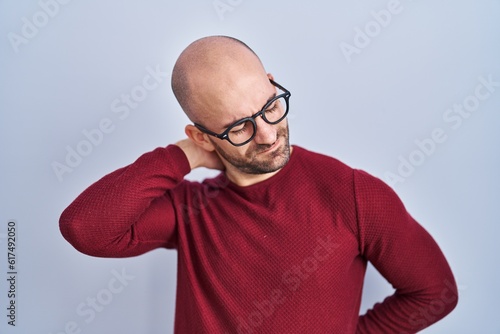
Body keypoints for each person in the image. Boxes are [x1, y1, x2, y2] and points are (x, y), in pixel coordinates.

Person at [60, 35, 458, 333]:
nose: (267, 134)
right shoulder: (190, 210)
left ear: (272, 82)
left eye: (269, 107)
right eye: (238, 128)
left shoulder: (353, 194)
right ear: (202, 136)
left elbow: (434, 292)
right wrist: (181, 156)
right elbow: (84, 228)